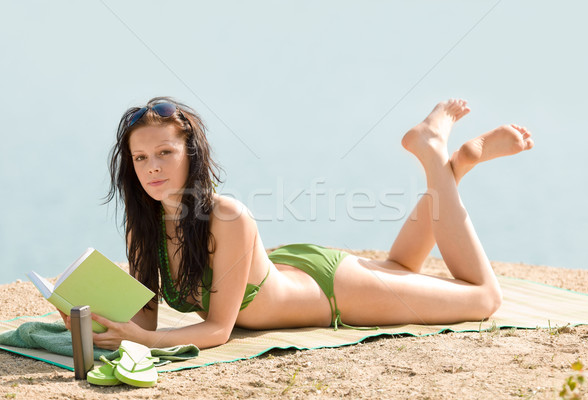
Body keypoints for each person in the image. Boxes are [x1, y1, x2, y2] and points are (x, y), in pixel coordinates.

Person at [60, 96, 534, 350]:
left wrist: (145, 340)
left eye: (165, 152)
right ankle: (458, 165)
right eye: (141, 157)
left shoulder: (228, 217)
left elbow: (217, 331)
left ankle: (432, 153)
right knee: (399, 266)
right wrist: (98, 321)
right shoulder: (140, 226)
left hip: (332, 292)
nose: (153, 168)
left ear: (193, 156)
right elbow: (145, 320)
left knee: (483, 298)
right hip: (289, 272)